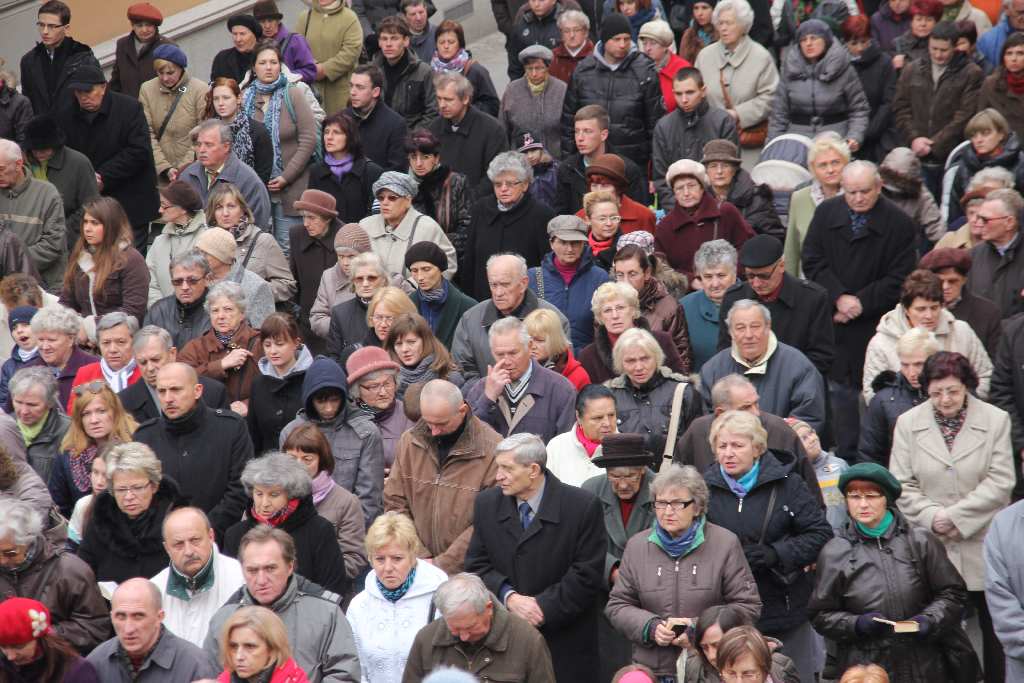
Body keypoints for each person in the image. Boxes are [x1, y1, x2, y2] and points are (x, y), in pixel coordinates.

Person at [889, 351, 1013, 679]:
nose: (945, 400)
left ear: (967, 386)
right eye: (936, 392)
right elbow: (900, 483)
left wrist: (956, 517)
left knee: (995, 632)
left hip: (983, 541)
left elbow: (1002, 481)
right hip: (931, 544)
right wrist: (932, 517)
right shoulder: (908, 423)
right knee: (937, 632)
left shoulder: (996, 419)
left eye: (953, 391)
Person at [810, 462, 974, 682]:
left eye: (871, 496)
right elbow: (820, 614)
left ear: (886, 498)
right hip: (867, 666)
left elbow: (953, 593)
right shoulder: (835, 551)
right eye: (854, 497)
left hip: (926, 661)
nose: (863, 504)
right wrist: (856, 624)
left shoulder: (919, 540)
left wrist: (929, 620)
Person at [464, 432, 606, 682]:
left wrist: (541, 607)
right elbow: (476, 566)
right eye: (498, 468)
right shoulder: (487, 504)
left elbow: (586, 575)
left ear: (532, 470)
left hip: (565, 644)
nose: (498, 477)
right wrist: (510, 598)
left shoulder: (582, 506)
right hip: (503, 643)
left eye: (507, 469)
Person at [704, 410, 833, 683]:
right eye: (722, 446)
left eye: (738, 445)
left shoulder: (789, 484)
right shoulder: (703, 489)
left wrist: (777, 554)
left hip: (783, 605)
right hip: (729, 611)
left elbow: (820, 533)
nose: (728, 453)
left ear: (758, 448)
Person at [803, 160, 917, 460]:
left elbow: (900, 277)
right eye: (851, 192)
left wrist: (860, 303)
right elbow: (812, 260)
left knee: (872, 395)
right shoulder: (827, 212)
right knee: (837, 397)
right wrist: (838, 297)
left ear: (879, 187)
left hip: (874, 323)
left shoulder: (900, 223)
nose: (858, 198)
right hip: (833, 321)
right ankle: (842, 456)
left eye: (865, 191)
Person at [606, 463, 762, 678]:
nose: (667, 512)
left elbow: (748, 606)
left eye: (678, 503)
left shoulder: (725, 543)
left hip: (709, 668)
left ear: (697, 507)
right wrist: (650, 627)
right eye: (661, 503)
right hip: (653, 670)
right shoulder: (637, 546)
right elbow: (617, 606)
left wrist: (696, 629)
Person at [204, 525, 361, 683]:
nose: (261, 580)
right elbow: (207, 674)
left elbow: (345, 675)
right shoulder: (223, 619)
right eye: (252, 570)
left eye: (270, 568)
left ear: (290, 566)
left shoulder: (326, 615)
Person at [133, 362, 251, 537]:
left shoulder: (230, 428)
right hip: (162, 543)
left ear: (197, 390)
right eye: (162, 391)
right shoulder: (144, 436)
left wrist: (203, 532)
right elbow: (140, 494)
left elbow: (239, 489)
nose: (168, 398)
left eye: (176, 390)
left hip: (219, 539)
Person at [55, 65, 160, 250]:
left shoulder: (129, 108)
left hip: (130, 199)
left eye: (88, 91)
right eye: (78, 92)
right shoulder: (67, 114)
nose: (83, 97)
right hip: (90, 203)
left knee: (129, 259)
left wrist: (103, 176)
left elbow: (138, 150)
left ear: (103, 87)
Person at [579, 434, 657, 681]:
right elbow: (582, 543)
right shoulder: (590, 490)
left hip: (650, 591)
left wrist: (633, 574)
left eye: (630, 476)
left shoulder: (662, 490)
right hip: (604, 594)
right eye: (615, 476)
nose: (622, 484)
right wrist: (611, 570)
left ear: (643, 471)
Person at [280, 355, 385, 527]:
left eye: (334, 400)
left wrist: (351, 535)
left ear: (343, 397)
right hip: (301, 527)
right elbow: (285, 490)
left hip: (349, 528)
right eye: (321, 401)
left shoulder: (366, 433)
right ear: (309, 399)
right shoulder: (291, 432)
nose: (328, 408)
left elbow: (370, 498)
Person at [224, 452, 347, 596]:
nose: (264, 503)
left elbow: (332, 591)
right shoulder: (235, 535)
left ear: (291, 495)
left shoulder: (319, 531)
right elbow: (231, 592)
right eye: (259, 494)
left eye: (273, 495)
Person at [346, 512, 448, 683]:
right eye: (380, 559)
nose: (388, 568)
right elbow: (356, 666)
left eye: (397, 559)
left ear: (412, 557)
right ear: (370, 559)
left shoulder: (439, 598)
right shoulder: (359, 606)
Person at [401, 572, 557, 683]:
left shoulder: (527, 641)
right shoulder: (426, 640)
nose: (463, 636)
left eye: (470, 627)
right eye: (454, 628)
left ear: (488, 608)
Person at [0, 498, 110, 654]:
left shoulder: (70, 571)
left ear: (29, 541)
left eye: (10, 553)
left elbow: (94, 628)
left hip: (56, 666)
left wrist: (43, 635)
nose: (2, 560)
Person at [863, 269, 992, 402]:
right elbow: (872, 394)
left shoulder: (962, 332)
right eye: (921, 309)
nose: (929, 316)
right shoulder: (882, 342)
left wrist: (959, 404)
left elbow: (985, 376)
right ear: (906, 310)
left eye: (934, 308)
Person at [701, 299, 825, 433]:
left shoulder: (799, 366)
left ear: (768, 326)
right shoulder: (712, 369)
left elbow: (807, 420)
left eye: (755, 326)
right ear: (730, 332)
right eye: (740, 328)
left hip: (782, 451)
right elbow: (705, 422)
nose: (748, 335)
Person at [718, 235, 835, 376]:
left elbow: (821, 356)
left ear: (781, 266)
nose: (756, 283)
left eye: (764, 276)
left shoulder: (812, 299)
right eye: (750, 276)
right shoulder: (734, 297)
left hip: (795, 385)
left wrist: (780, 378)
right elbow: (725, 351)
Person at [892, 20, 985, 198]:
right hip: (915, 152)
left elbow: (965, 115)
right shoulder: (912, 69)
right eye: (934, 48)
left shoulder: (971, 73)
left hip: (950, 156)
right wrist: (914, 139)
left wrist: (934, 144)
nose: (938, 54)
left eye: (944, 50)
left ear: (955, 47)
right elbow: (901, 106)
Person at [561, 13, 664, 171]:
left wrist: (655, 172)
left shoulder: (645, 71)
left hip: (633, 163)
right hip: (590, 162)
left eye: (627, 39)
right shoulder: (583, 71)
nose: (622, 44)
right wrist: (568, 166)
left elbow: (655, 125)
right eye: (616, 39)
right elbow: (569, 122)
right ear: (604, 40)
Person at [242, 41, 318, 255]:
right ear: (253, 68)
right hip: (256, 187)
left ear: (280, 66)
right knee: (259, 249)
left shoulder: (293, 93)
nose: (268, 67)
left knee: (288, 248)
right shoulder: (245, 97)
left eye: (273, 62)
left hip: (291, 187)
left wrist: (286, 176)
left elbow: (308, 138)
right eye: (263, 62)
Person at [76, 442, 188, 583]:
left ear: (153, 486)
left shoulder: (177, 519)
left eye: (137, 487)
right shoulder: (101, 518)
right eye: (121, 490)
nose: (129, 497)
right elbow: (84, 569)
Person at [451, 253, 571, 382]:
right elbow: (461, 371)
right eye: (493, 285)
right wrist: (487, 394)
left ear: (523, 284)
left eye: (505, 284)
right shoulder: (470, 319)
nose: (498, 293)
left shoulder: (554, 320)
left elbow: (563, 369)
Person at [88, 578, 218, 682]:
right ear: (111, 617)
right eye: (120, 617)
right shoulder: (97, 662)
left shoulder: (195, 665)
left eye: (138, 616)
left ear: (159, 617)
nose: (128, 628)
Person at [150, 507, 246, 647]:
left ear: (211, 536)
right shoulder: (154, 589)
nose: (188, 551)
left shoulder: (241, 578)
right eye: (178, 544)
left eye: (195, 540)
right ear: (167, 548)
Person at [282, 423, 367, 580]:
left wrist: (311, 582)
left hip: (326, 593)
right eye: (292, 458)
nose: (298, 466)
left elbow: (354, 558)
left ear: (321, 461)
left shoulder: (346, 502)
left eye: (307, 459)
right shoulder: (268, 496)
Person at [768, 20, 869, 150]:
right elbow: (779, 113)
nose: (808, 43)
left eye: (814, 38)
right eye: (803, 40)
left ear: (826, 40)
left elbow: (859, 109)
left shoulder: (844, 69)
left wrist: (854, 137)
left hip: (836, 141)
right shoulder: (789, 69)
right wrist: (774, 144)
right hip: (797, 142)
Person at [463, 156, 555, 299]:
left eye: (510, 184)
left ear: (525, 185)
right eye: (498, 184)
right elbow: (470, 259)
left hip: (526, 301)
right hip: (483, 299)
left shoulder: (542, 215)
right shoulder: (480, 209)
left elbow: (546, 266)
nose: (503, 189)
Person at [694, 0, 779, 153]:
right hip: (711, 141)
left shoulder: (761, 57)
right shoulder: (704, 56)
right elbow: (696, 92)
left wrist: (738, 113)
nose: (724, 28)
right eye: (720, 23)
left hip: (748, 142)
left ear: (743, 25)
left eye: (729, 23)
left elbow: (770, 97)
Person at [651, 68, 738, 212]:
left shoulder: (723, 121)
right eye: (678, 94)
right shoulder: (663, 126)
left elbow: (731, 170)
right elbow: (661, 178)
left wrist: (709, 209)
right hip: (677, 211)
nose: (684, 99)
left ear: (703, 91)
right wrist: (678, 210)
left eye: (690, 92)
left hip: (715, 209)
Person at [655, 159, 754, 282]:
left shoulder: (726, 212)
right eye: (679, 188)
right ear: (674, 193)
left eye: (691, 186)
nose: (686, 193)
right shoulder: (666, 227)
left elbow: (746, 248)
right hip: (688, 295)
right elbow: (661, 268)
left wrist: (727, 277)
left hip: (729, 288)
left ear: (702, 187)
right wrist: (690, 281)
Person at [48, 381, 136, 518]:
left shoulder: (136, 446)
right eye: (86, 414)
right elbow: (59, 507)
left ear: (115, 412)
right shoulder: (68, 456)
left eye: (101, 411)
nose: (94, 420)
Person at [59, 197, 149, 330]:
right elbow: (66, 302)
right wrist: (73, 326)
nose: (87, 229)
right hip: (83, 339)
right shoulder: (80, 256)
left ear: (111, 226)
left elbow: (133, 311)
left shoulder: (131, 260)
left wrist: (91, 328)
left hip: (120, 340)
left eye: (94, 223)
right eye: (85, 222)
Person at [606, 328, 703, 448]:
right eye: (630, 361)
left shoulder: (683, 392)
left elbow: (698, 445)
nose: (639, 367)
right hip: (627, 466)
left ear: (656, 358)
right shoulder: (610, 396)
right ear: (620, 363)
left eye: (645, 359)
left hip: (675, 466)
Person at [179, 281, 262, 414]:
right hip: (208, 423)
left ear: (242, 314)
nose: (221, 316)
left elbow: (273, 385)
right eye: (215, 310)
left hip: (251, 423)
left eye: (228, 309)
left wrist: (248, 405)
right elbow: (181, 382)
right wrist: (221, 365)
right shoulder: (194, 347)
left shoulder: (260, 343)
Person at [528, 215, 610, 350]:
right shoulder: (534, 277)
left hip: (586, 359)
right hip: (545, 358)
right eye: (563, 242)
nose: (570, 249)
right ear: (551, 243)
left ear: (583, 244)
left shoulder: (599, 278)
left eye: (575, 242)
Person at [858, 327, 937, 467]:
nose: (912, 372)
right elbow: (870, 455)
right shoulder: (883, 400)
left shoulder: (953, 393)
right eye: (905, 365)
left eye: (919, 364)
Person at [579, 281, 687, 383]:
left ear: (633, 311)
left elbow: (679, 385)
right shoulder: (588, 356)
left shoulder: (662, 342)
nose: (615, 316)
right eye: (607, 310)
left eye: (620, 308)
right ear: (600, 317)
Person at [21, 114, 100, 252]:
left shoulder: (79, 163)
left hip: (68, 240)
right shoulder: (22, 164)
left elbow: (91, 204)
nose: (39, 153)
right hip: (29, 238)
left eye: (44, 149)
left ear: (55, 145)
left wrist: (61, 231)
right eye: (35, 149)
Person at [119, 326, 228, 424]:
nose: (150, 368)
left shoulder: (214, 392)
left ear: (172, 354)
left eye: (155, 359)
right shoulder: (124, 402)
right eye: (143, 362)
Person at [361, 172, 456, 282]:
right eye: (381, 198)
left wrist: (415, 289)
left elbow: (447, 265)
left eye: (392, 198)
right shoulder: (365, 226)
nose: (385, 202)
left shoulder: (427, 227)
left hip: (414, 297)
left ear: (408, 200)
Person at [208, 182, 295, 302]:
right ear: (213, 213)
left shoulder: (263, 241)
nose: (225, 213)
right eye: (219, 207)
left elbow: (287, 286)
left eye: (231, 206)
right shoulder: (205, 243)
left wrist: (252, 291)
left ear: (243, 210)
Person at [180, 119, 272, 231]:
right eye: (199, 145)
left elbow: (257, 227)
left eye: (208, 145)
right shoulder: (188, 175)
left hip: (235, 245)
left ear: (226, 147)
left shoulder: (249, 181)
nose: (202, 150)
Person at [555, 105, 650, 214]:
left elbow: (638, 214)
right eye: (577, 131)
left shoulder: (627, 169)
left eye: (587, 131)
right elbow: (561, 214)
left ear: (603, 135)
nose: (580, 138)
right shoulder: (567, 169)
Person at [0, 139, 67, 290]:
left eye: (1, 169)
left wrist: (12, 262)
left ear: (18, 164)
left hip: (41, 288)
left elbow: (53, 245)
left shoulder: (47, 194)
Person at [427, 73, 507, 199]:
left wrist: (468, 199)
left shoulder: (492, 130)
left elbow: (495, 174)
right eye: (439, 98)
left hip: (479, 205)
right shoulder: (434, 129)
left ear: (465, 99)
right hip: (441, 204)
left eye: (448, 99)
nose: (442, 105)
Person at [783, 133, 851, 279]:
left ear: (846, 163)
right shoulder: (799, 198)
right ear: (813, 169)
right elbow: (792, 250)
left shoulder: (856, 197)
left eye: (835, 162)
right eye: (823, 165)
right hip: (808, 286)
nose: (830, 169)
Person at [139, 45, 209, 185]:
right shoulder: (146, 89)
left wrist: (182, 169)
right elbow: (146, 132)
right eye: (160, 73)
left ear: (181, 68)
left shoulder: (199, 90)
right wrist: (164, 167)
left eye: (170, 73)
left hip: (194, 170)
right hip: (160, 174)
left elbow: (203, 131)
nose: (165, 78)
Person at [613, 243, 693, 363]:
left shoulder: (669, 307)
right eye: (620, 275)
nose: (625, 281)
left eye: (632, 274)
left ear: (647, 273)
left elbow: (681, 358)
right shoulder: (608, 305)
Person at [18, 0, 101, 115]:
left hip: (78, 130)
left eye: (52, 26)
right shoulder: (28, 61)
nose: (45, 31)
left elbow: (97, 99)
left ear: (66, 29)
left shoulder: (83, 57)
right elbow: (28, 104)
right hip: (44, 130)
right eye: (41, 25)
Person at [919, 247, 1004, 358]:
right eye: (939, 281)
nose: (945, 287)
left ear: (964, 280)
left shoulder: (988, 313)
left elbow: (995, 361)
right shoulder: (915, 310)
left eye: (952, 281)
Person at [248, 313, 313, 452]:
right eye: (267, 345)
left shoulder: (311, 379)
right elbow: (253, 434)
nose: (273, 351)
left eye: (280, 344)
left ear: (296, 343)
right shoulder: (258, 384)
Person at [685, 605, 801, 683]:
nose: (712, 656)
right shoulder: (695, 668)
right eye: (704, 647)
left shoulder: (780, 668)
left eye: (748, 674)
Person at [949, 108, 1024, 225]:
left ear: (1001, 134)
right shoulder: (963, 165)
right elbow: (955, 209)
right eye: (974, 135)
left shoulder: (1020, 163)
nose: (978, 140)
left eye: (985, 133)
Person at [306, 114, 382, 228]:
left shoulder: (370, 171)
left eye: (336, 132)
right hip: (327, 239)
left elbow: (376, 214)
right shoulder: (316, 171)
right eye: (326, 132)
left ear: (350, 137)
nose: (329, 137)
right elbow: (313, 211)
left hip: (361, 238)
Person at [0, 596, 99, 682]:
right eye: (3, 647)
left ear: (41, 640)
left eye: (19, 646)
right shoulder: (4, 668)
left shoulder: (76, 671)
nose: (11, 657)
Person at [842, 16, 899, 164]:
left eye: (864, 42)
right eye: (853, 43)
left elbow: (888, 101)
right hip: (847, 135)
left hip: (878, 134)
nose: (860, 48)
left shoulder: (884, 62)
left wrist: (868, 131)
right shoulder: (840, 64)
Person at [194, 226, 276, 328]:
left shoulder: (256, 286)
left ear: (221, 255)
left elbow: (265, 332)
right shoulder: (195, 281)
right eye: (198, 252)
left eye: (205, 253)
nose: (200, 258)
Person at [345, 344, 412, 469]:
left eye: (387, 383)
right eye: (373, 386)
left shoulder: (408, 414)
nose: (383, 392)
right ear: (356, 390)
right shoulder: (347, 420)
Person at [702, 140, 783, 239]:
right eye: (713, 166)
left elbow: (775, 239)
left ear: (734, 169)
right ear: (706, 171)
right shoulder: (698, 198)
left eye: (725, 166)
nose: (719, 171)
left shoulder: (757, 200)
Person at [404, 242, 476, 349]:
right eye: (414, 271)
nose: (420, 277)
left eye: (426, 269)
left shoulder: (468, 307)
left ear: (440, 268)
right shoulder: (405, 305)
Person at [297, 0, 363, 117]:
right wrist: (311, 67)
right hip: (310, 91)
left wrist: (325, 69)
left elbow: (351, 52)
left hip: (340, 93)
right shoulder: (305, 17)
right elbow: (296, 47)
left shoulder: (349, 18)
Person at [500, 46, 568, 159]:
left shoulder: (561, 89)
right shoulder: (512, 90)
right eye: (529, 68)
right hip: (520, 164)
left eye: (539, 68)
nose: (534, 74)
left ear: (547, 67)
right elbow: (503, 128)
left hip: (554, 161)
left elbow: (568, 130)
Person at [372, 16, 437, 131]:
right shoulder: (373, 70)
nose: (388, 44)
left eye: (394, 38)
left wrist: (412, 137)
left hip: (411, 138)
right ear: (379, 42)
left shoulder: (424, 72)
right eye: (384, 39)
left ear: (406, 41)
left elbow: (433, 112)